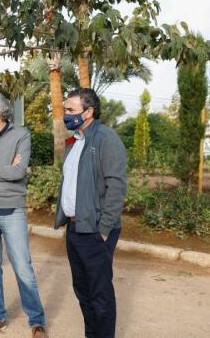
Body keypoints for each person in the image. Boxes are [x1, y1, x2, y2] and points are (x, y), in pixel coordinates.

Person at [0, 92, 48, 338]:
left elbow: (18, 172)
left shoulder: (21, 135)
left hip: (13, 210)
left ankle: (36, 321)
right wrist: (3, 169)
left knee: (23, 268)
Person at [54, 89, 127, 338]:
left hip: (96, 230)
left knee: (100, 294)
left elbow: (116, 186)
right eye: (65, 110)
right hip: (75, 229)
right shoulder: (74, 142)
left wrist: (104, 230)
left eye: (71, 110)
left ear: (89, 112)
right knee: (83, 292)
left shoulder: (106, 139)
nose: (66, 115)